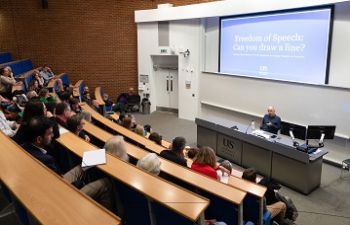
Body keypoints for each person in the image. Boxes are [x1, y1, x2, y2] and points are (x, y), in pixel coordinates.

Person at [21, 116, 113, 210]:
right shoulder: (46, 160)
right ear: (39, 139)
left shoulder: (23, 147)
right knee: (105, 183)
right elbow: (60, 186)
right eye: (49, 134)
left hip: (52, 183)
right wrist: (76, 184)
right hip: (62, 193)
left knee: (83, 166)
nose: (52, 136)